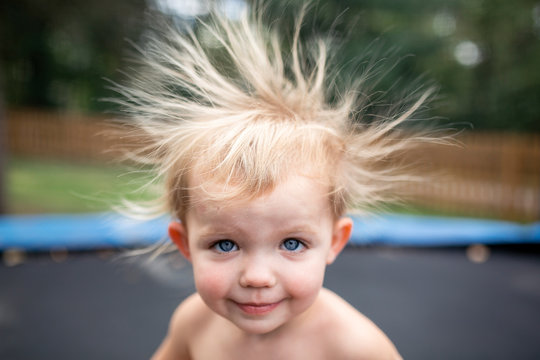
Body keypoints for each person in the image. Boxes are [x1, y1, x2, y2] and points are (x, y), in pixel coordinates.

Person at [112, 4, 435, 359]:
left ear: (335, 241)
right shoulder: (193, 323)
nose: (257, 277)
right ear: (185, 242)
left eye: (292, 244)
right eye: (224, 245)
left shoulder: (353, 347)